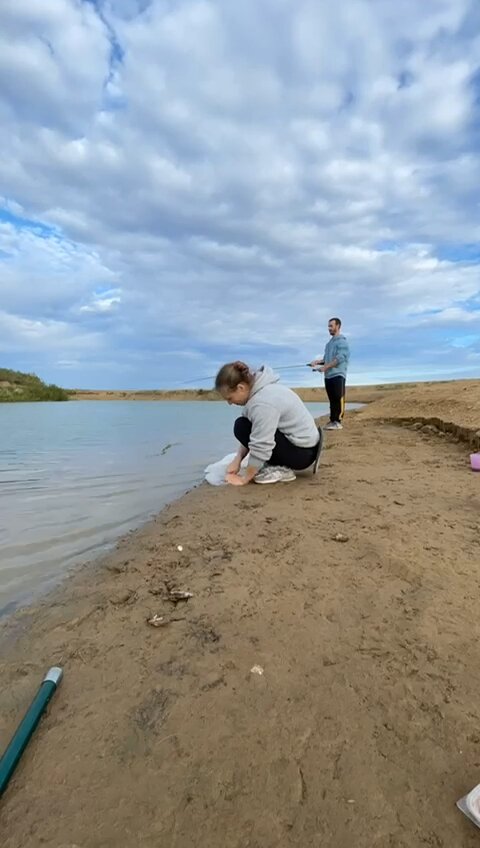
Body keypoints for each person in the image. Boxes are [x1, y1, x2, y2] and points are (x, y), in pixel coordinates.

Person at [215, 361, 322, 486]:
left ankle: (282, 469)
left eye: (230, 398)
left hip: (302, 455)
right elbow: (255, 431)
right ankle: (274, 462)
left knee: (241, 426)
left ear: (240, 388)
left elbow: (261, 443)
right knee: (243, 424)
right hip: (306, 448)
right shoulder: (264, 390)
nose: (229, 403)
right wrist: (237, 460)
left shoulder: (262, 403)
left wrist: (245, 479)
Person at [309, 317, 350, 430]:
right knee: (332, 400)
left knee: (338, 397)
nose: (329, 328)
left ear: (338, 326)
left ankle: (338, 421)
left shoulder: (342, 342)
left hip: (338, 374)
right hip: (328, 376)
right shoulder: (328, 344)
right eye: (328, 326)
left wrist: (326, 367)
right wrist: (317, 363)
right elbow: (326, 359)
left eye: (331, 326)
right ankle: (332, 421)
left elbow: (340, 358)